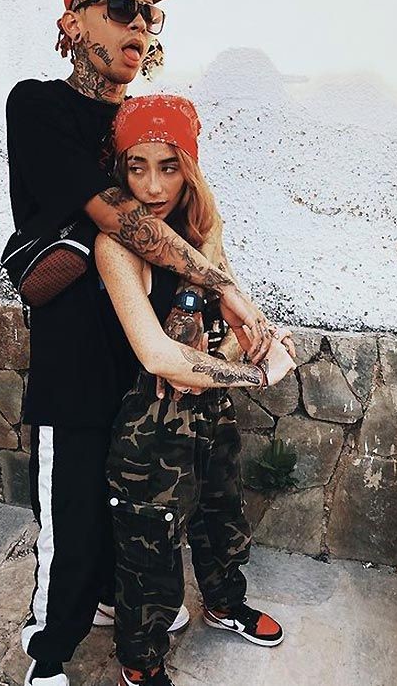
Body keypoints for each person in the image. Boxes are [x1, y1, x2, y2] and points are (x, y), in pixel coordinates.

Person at [5, 0, 279, 684]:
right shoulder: (39, 106)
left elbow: (189, 214)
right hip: (75, 366)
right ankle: (48, 656)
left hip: (140, 364)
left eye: (151, 14)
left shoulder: (142, 122)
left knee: (133, 515)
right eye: (123, 6)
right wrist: (226, 289)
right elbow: (120, 221)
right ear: (72, 21)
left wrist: (215, 297)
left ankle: (119, 603)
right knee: (72, 523)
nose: (140, 24)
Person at [95, 95, 297, 686]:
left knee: (222, 516)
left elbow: (224, 334)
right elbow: (158, 356)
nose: (153, 186)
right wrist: (258, 374)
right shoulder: (116, 246)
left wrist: (253, 345)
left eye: (169, 166)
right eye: (137, 167)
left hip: (211, 412)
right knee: (149, 552)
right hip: (150, 424)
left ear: (189, 169)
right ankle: (141, 660)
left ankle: (224, 603)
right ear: (120, 170)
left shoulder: (202, 234)